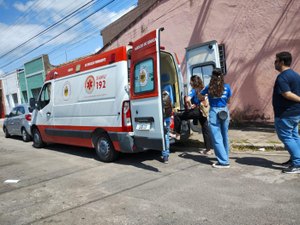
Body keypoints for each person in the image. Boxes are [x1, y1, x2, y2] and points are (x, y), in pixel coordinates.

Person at [272, 51, 300, 174]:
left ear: (282, 62)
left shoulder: (282, 77)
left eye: (276, 60)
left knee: (286, 137)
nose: (275, 63)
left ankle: (298, 163)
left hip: (285, 114)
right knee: (294, 136)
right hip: (294, 113)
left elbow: (287, 94)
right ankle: (295, 159)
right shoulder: (295, 75)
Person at [201, 68, 232, 168]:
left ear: (212, 76)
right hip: (224, 111)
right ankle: (225, 156)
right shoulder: (227, 87)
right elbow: (229, 101)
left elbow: (200, 96)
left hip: (214, 111)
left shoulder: (209, 87)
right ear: (222, 76)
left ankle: (223, 162)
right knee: (224, 135)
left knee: (216, 137)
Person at [174, 75, 212, 154]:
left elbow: (187, 99)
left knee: (177, 115)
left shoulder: (194, 90)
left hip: (196, 111)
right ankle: (208, 149)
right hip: (203, 111)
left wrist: (190, 105)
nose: (190, 82)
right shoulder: (203, 89)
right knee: (205, 129)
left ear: (193, 82)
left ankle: (177, 134)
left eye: (191, 81)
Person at [162, 90, 173, 164]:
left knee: (164, 136)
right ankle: (166, 154)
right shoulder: (169, 98)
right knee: (167, 135)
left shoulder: (161, 100)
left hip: (163, 119)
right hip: (168, 118)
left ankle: (165, 155)